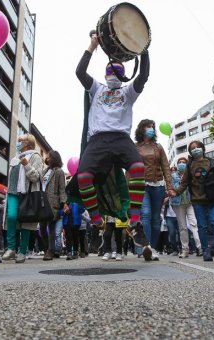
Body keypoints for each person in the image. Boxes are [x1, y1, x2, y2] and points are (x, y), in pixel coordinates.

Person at [74, 33, 152, 260]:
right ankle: (97, 223)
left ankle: (135, 222)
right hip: (98, 140)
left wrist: (143, 50)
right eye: (110, 70)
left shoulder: (128, 92)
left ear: (123, 74)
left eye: (117, 70)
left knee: (138, 168)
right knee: (83, 178)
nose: (112, 74)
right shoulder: (96, 89)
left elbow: (144, 75)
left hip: (120, 138)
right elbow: (79, 72)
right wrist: (92, 45)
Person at [134, 119, 173, 260]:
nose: (151, 129)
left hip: (158, 186)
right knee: (145, 214)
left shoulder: (158, 147)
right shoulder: (135, 147)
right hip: (141, 185)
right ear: (141, 129)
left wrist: (170, 186)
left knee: (156, 219)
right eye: (148, 127)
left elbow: (166, 167)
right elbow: (130, 168)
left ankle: (154, 248)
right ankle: (146, 247)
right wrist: (128, 187)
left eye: (152, 127)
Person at [2, 133, 43, 264]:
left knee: (26, 221)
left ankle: (23, 252)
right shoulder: (15, 157)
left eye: (21, 141)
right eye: (18, 140)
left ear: (29, 143)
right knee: (11, 217)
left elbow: (36, 176)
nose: (18, 143)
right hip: (13, 192)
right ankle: (11, 248)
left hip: (27, 194)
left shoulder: (36, 156)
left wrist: (26, 165)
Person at [41, 150, 68, 261]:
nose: (47, 158)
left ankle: (51, 251)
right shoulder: (45, 171)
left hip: (53, 203)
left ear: (54, 158)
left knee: (51, 227)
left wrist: (64, 203)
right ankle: (46, 248)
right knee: (42, 228)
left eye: (49, 156)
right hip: (41, 201)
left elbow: (62, 189)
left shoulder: (59, 172)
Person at [170, 159, 196, 258]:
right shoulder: (173, 176)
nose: (182, 164)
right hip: (178, 203)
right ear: (177, 165)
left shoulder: (191, 174)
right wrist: (180, 183)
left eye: (184, 162)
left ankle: (201, 248)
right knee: (183, 227)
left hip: (190, 202)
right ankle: (185, 249)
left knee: (194, 224)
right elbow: (171, 188)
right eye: (180, 162)